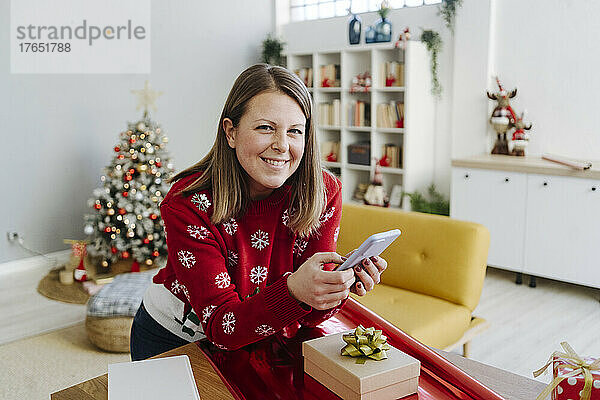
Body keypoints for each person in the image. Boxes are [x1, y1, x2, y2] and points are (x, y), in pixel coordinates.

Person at [130, 64, 388, 361]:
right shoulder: (188, 203)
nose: (281, 145)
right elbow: (221, 327)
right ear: (231, 132)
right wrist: (294, 291)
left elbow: (310, 317)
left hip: (264, 332)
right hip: (174, 338)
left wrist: (334, 285)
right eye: (266, 127)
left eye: (295, 131)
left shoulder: (324, 192)